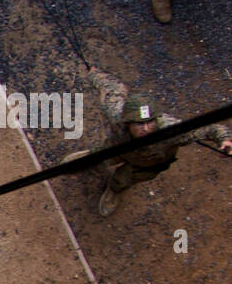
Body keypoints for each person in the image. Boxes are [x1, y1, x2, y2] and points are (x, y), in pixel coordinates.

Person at [76, 69, 232, 217]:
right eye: (139, 124)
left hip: (146, 163)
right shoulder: (117, 113)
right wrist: (94, 73)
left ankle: (114, 189)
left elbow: (209, 129)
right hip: (116, 148)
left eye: (150, 122)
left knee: (122, 180)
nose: (145, 128)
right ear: (128, 122)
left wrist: (224, 139)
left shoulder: (171, 131)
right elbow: (112, 88)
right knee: (97, 156)